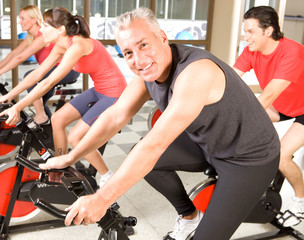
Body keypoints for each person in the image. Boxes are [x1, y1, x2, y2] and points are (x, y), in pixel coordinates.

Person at [39, 7, 280, 240]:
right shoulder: (146, 73)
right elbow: (115, 116)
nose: (139, 59)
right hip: (207, 142)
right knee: (144, 159)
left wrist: (101, 199)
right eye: (128, 53)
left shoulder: (196, 71)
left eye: (143, 44)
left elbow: (155, 145)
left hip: (248, 158)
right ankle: (190, 216)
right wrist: (71, 157)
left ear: (162, 38)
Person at [0, 7, 127, 186]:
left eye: (46, 26)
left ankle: (108, 176)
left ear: (60, 30)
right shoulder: (60, 45)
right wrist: (9, 96)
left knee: (76, 137)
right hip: (98, 90)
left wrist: (18, 106)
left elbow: (47, 82)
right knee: (57, 119)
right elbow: (37, 75)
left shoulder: (78, 45)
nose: (41, 30)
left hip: (115, 93)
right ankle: (60, 166)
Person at [233, 6, 304, 227]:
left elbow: (269, 95)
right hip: (284, 106)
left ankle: (301, 202)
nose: (246, 37)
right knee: (239, 126)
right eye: (245, 31)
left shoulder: (292, 51)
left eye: (251, 32)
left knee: (282, 155)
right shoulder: (251, 51)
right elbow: (231, 81)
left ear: (268, 31)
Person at [0, 5, 80, 124]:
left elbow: (20, 57)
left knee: (29, 76)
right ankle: (48, 133)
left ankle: (41, 116)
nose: (19, 21)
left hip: (68, 70)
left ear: (33, 20)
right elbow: (15, 53)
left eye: (22, 18)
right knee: (39, 101)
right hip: (54, 69)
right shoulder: (31, 37)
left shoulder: (43, 36)